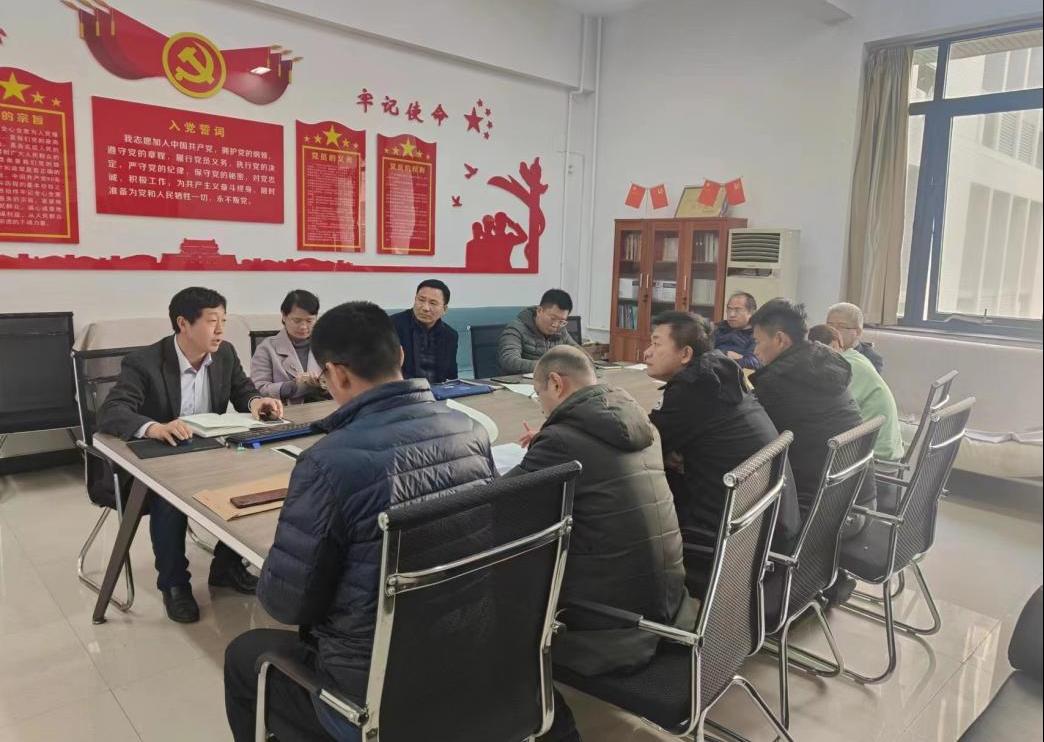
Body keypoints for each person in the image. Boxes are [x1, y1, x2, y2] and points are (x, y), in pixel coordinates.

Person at [224, 301, 496, 742]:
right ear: (400, 356)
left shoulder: (325, 463)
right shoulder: (471, 432)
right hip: (469, 657)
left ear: (335, 374)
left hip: (373, 694)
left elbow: (286, 604)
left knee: (244, 656)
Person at [508, 346, 693, 742]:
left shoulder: (562, 442)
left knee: (498, 583)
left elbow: (501, 506)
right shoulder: (642, 423)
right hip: (672, 610)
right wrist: (551, 440)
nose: (542, 407)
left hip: (612, 633)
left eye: (540, 396)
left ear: (556, 383)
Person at [98, 287, 283, 623]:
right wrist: (153, 427)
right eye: (212, 321)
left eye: (224, 320)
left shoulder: (225, 354)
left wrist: (258, 402)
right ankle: (174, 584)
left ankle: (226, 566)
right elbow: (112, 411)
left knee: (255, 479)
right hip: (159, 460)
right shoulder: (144, 362)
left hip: (210, 454)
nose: (221, 329)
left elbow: (243, 391)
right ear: (183, 323)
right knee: (169, 498)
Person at [644, 311, 800, 598]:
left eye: (656, 343)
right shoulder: (720, 374)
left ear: (685, 354)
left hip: (737, 540)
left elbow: (644, 447)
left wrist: (666, 451)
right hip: (771, 528)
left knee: (633, 495)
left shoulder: (693, 388)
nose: (647, 352)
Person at [749, 300, 875, 605]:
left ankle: (751, 604)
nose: (755, 351)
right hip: (859, 500)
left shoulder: (778, 383)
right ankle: (823, 577)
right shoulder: (823, 364)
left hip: (826, 518)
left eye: (758, 342)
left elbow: (751, 442)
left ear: (780, 339)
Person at [808, 324, 904, 462]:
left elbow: (827, 411)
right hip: (882, 448)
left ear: (834, 345)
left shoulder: (845, 365)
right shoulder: (856, 357)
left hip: (875, 457)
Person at [251, 289, 328, 404]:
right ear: (284, 316)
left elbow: (343, 384)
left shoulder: (327, 345)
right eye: (297, 321)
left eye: (309, 321)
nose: (303, 326)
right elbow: (258, 389)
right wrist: (292, 386)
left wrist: (323, 384)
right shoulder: (266, 348)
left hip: (324, 410)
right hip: (284, 412)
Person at [391, 279, 459, 384]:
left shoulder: (450, 335)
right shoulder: (391, 326)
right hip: (403, 390)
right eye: (421, 300)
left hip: (438, 391)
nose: (425, 308)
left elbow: (452, 377)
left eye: (433, 303)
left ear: (444, 309)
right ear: (415, 299)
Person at [498, 288, 581, 374]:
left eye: (561, 321)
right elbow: (509, 361)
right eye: (553, 318)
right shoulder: (516, 328)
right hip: (522, 380)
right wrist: (549, 367)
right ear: (539, 311)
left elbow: (579, 353)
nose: (555, 325)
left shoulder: (560, 330)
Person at [826, 301, 884, 373]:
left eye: (841, 326)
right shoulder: (820, 349)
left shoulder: (871, 359)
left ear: (858, 332)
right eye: (830, 325)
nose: (833, 330)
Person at [713, 291, 760, 369]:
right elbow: (703, 354)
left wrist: (719, 357)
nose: (732, 314)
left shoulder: (757, 334)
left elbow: (754, 363)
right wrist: (726, 354)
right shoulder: (717, 328)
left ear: (751, 312)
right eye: (729, 309)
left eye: (737, 310)